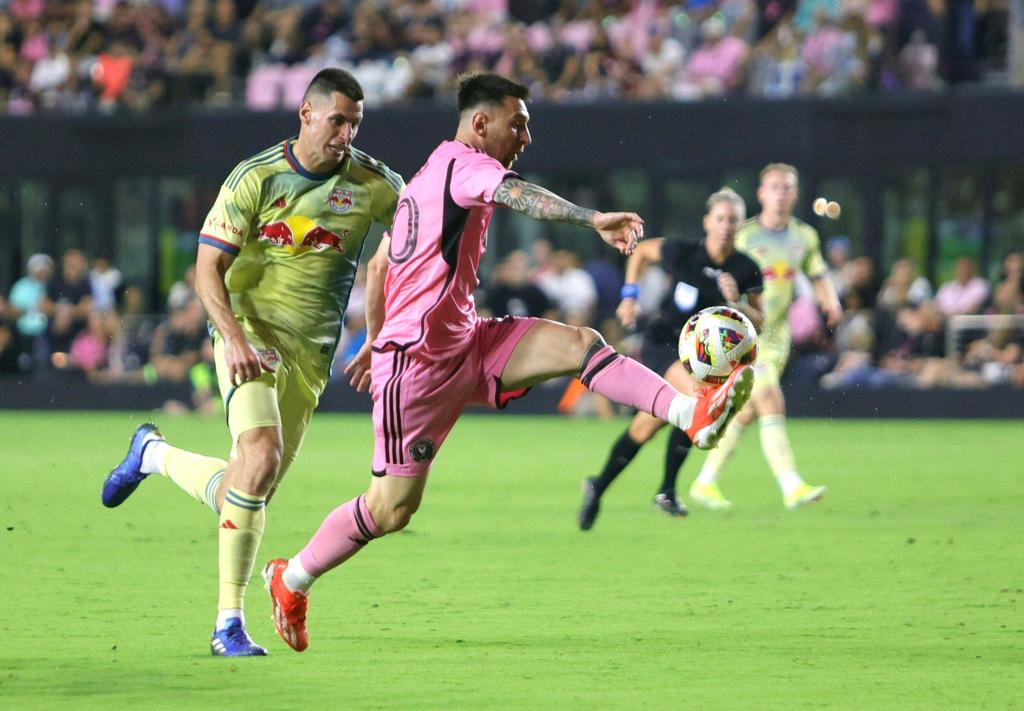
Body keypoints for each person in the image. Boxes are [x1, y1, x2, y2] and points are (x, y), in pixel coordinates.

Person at [260, 73, 754, 653]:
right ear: (480, 124)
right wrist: (592, 219)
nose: (526, 136)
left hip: (467, 342)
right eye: (517, 123)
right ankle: (289, 580)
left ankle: (689, 413)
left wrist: (370, 334)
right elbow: (520, 196)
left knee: (580, 344)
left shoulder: (429, 173)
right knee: (391, 510)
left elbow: (380, 266)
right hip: (416, 369)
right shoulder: (468, 167)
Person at [100, 68, 404, 656]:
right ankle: (227, 625)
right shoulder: (256, 177)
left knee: (247, 488)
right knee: (259, 457)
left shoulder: (374, 184)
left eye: (355, 123)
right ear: (306, 114)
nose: (346, 134)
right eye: (337, 120)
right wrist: (232, 336)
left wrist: (381, 333)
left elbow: (403, 255)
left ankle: (153, 454)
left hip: (311, 359)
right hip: (250, 337)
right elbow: (207, 269)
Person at [578, 187, 764, 530]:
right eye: (720, 218)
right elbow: (641, 253)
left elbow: (760, 323)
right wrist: (629, 296)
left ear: (741, 226)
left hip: (704, 360)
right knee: (698, 400)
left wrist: (737, 302)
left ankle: (597, 485)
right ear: (708, 221)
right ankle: (666, 490)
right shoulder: (684, 252)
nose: (726, 226)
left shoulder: (746, 268)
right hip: (664, 344)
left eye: (733, 220)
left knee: (645, 427)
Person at [689, 163, 841, 511]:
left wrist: (829, 299)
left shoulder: (804, 237)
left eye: (788, 187)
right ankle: (791, 486)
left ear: (796, 194)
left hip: (777, 336)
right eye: (775, 187)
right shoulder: (742, 235)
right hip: (742, 334)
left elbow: (818, 273)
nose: (782, 193)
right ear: (761, 194)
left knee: (746, 412)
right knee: (769, 398)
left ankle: (705, 481)